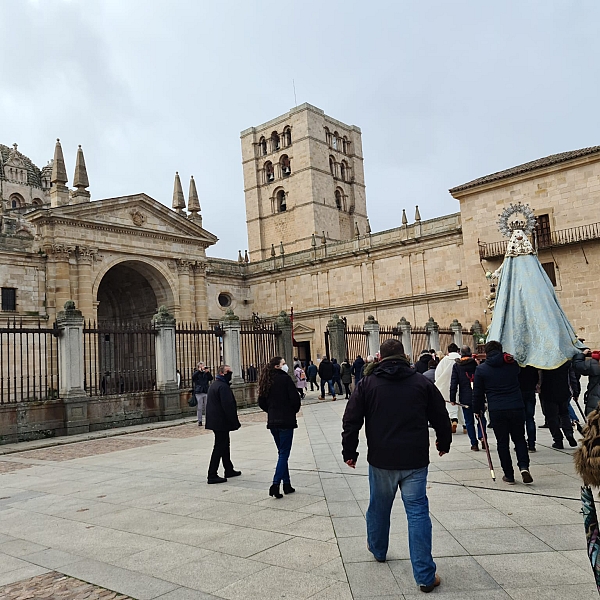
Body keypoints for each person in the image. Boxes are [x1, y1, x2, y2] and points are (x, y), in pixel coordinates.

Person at [342, 338, 451, 592]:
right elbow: (440, 416)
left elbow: (351, 420)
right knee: (417, 513)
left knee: (379, 507)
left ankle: (379, 550)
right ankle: (424, 575)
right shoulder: (421, 382)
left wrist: (350, 451)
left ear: (380, 358)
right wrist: (443, 442)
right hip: (414, 459)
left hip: (381, 459)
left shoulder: (368, 384)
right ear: (405, 357)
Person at [473, 341, 533, 484]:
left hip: (497, 409)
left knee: (502, 442)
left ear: (486, 353)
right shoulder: (512, 365)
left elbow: (478, 393)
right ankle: (524, 466)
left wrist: (477, 409)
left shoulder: (482, 369)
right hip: (516, 406)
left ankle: (509, 474)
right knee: (519, 438)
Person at [258, 357, 301, 499]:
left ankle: (287, 484)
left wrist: (271, 411)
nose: (286, 366)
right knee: (284, 453)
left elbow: (261, 401)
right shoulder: (285, 379)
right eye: (283, 363)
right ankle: (276, 484)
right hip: (286, 421)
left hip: (273, 422)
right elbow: (295, 400)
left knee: (282, 453)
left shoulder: (266, 381)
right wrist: (291, 411)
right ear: (277, 366)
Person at [205, 364, 242, 484]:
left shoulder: (215, 385)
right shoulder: (222, 386)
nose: (230, 373)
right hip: (220, 421)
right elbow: (228, 406)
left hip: (216, 421)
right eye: (228, 371)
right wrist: (234, 422)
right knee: (220, 446)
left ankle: (228, 469)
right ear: (222, 373)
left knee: (225, 445)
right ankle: (212, 474)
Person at [450, 346, 487, 451]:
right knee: (481, 418)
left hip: (465, 397)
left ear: (460, 353)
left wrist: (452, 398)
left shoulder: (457, 366)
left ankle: (474, 443)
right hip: (478, 395)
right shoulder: (476, 364)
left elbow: (454, 383)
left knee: (469, 421)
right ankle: (482, 436)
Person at [539, 363, 577, 449]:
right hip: (563, 390)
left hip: (548, 391)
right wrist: (575, 390)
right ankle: (569, 433)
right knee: (564, 414)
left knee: (552, 418)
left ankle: (558, 440)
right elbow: (572, 376)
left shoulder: (544, 362)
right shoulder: (565, 361)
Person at [435, 343, 462, 433]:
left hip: (446, 385)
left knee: (450, 403)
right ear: (458, 350)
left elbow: (438, 373)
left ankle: (453, 420)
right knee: (461, 403)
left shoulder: (444, 360)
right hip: (460, 384)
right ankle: (465, 425)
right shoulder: (461, 359)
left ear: (448, 350)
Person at [573, 349, 600, 415]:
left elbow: (577, 365)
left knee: (594, 422)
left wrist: (581, 355)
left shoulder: (594, 364)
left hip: (595, 403)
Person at [518, 365, 538, 452]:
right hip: (530, 391)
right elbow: (536, 377)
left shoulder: (516, 365)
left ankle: (521, 443)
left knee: (519, 420)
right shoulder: (531, 364)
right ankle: (531, 443)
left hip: (519, 392)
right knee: (530, 418)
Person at [192, 361, 213, 426]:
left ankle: (208, 420)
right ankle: (200, 420)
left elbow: (211, 378)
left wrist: (208, 372)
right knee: (200, 407)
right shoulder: (196, 373)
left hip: (206, 391)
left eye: (203, 366)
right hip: (199, 391)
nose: (202, 367)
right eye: (201, 366)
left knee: (207, 406)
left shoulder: (206, 373)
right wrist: (199, 371)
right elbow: (193, 378)